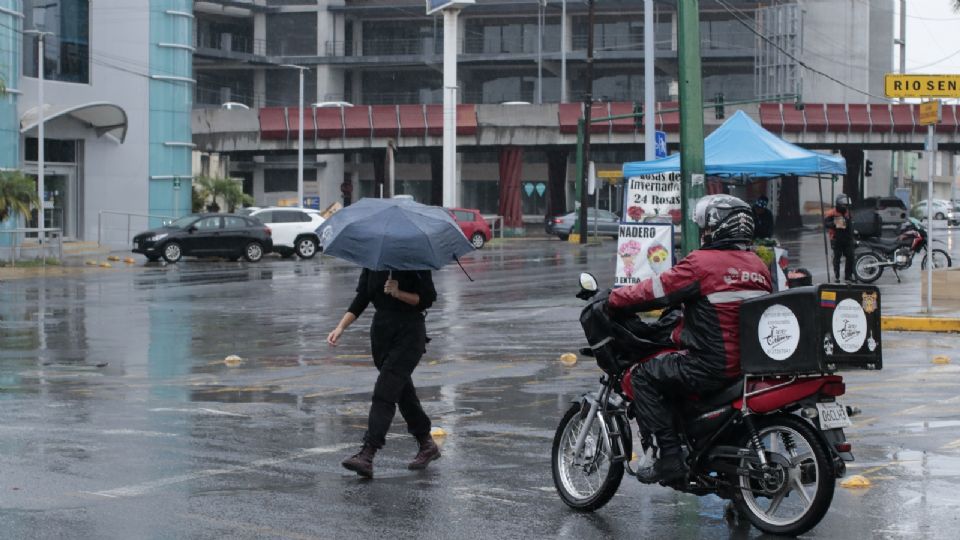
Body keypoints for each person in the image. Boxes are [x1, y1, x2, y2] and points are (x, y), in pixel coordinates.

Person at [605, 195, 772, 484]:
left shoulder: (702, 263)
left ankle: (669, 457)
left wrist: (613, 299)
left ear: (718, 228)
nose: (704, 234)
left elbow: (657, 291)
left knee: (643, 376)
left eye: (706, 228)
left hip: (710, 364)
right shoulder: (757, 266)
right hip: (748, 364)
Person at [327, 269, 439, 478]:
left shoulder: (415, 261)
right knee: (401, 390)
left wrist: (399, 293)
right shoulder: (373, 261)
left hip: (409, 333)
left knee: (385, 392)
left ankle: (368, 453)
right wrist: (341, 327)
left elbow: (427, 299)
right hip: (382, 334)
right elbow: (363, 296)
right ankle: (426, 442)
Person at [824, 193, 856, 282]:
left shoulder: (848, 212)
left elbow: (850, 225)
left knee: (850, 256)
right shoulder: (831, 213)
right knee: (837, 258)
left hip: (847, 238)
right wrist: (835, 223)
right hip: (836, 238)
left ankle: (848, 276)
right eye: (844, 204)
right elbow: (826, 224)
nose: (846, 206)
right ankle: (836, 276)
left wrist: (853, 235)